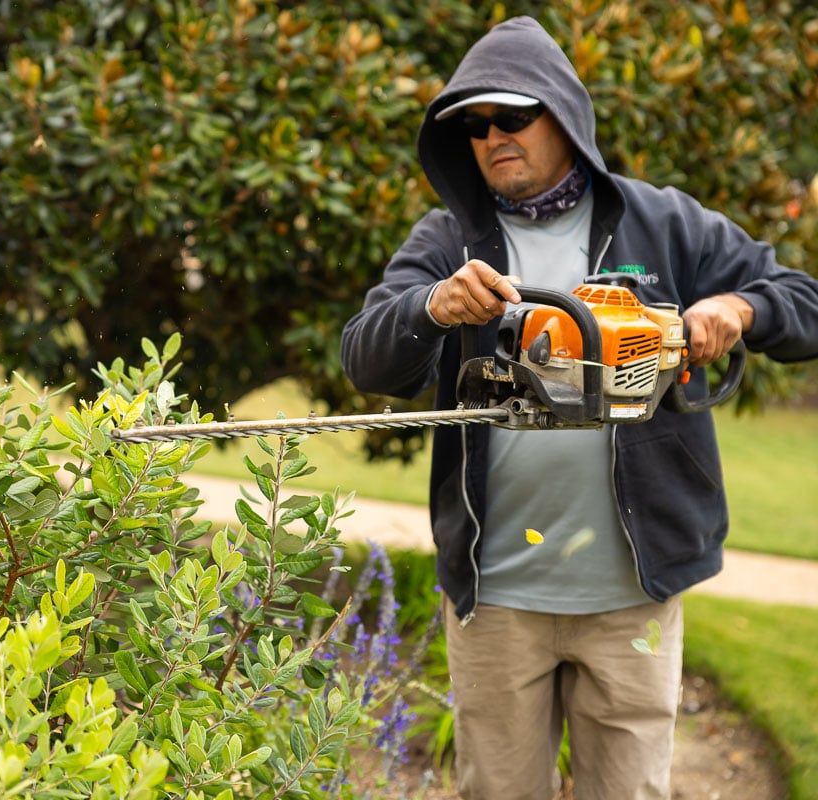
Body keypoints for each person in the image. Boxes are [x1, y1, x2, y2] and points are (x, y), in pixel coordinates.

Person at [340, 16, 818, 800]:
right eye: (474, 125)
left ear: (562, 114)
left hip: (631, 596)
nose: (492, 136)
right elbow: (365, 356)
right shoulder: (449, 241)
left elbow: (803, 299)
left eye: (511, 117)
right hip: (496, 599)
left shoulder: (663, 223)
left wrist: (739, 308)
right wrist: (433, 305)